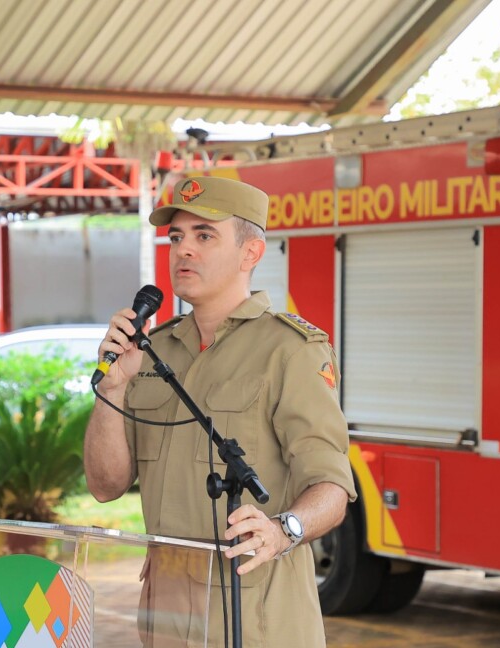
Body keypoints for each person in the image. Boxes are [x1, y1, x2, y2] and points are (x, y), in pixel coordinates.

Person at [83, 175, 357, 647]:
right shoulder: (151, 350)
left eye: (204, 235)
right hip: (165, 618)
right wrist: (113, 387)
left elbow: (331, 485)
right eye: (176, 237)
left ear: (251, 253)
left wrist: (284, 529)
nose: (184, 250)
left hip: (255, 619)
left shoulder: (291, 350)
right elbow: (106, 486)